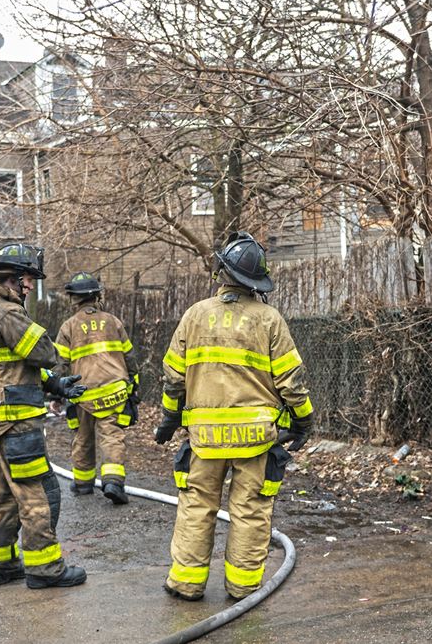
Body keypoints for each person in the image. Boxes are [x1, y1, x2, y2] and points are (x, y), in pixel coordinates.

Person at [155, 231, 314, 601]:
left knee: (197, 506)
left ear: (221, 272)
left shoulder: (195, 316)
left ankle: (186, 583)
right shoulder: (269, 319)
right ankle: (242, 587)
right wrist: (305, 420)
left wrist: (169, 418)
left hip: (205, 440)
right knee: (251, 510)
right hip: (255, 441)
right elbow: (292, 382)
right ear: (255, 283)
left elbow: (173, 376)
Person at [0, 243, 87, 589]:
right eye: (28, 279)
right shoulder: (7, 313)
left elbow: (11, 369)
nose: (31, 286)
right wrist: (53, 369)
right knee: (38, 495)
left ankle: (2, 564)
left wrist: (56, 386)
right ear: (11, 279)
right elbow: (43, 352)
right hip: (15, 426)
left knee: (2, 499)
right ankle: (45, 569)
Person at [54, 272, 141, 505]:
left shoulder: (68, 327)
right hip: (114, 391)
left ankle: (83, 484)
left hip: (82, 394)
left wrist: (56, 394)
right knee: (112, 436)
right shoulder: (113, 321)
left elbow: (59, 365)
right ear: (97, 296)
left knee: (82, 438)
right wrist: (134, 383)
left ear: (74, 298)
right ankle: (113, 482)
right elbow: (129, 356)